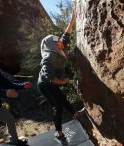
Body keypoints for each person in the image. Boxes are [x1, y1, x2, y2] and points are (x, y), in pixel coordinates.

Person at [37, 6, 81, 144]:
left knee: (63, 98)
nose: (61, 41)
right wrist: (63, 82)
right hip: (45, 84)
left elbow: (66, 34)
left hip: (53, 81)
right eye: (58, 40)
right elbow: (49, 78)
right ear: (52, 44)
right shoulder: (48, 57)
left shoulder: (58, 47)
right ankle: (58, 131)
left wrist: (72, 19)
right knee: (57, 105)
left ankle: (76, 114)